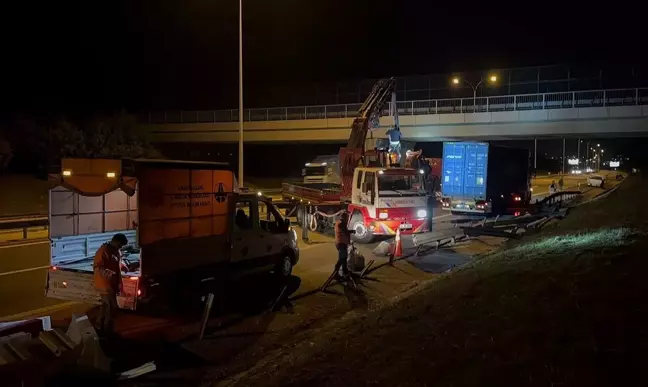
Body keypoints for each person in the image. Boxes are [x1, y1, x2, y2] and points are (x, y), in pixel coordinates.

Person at [93, 233, 128, 337]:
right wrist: (107, 273)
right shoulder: (104, 251)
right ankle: (107, 331)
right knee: (110, 306)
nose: (120, 247)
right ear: (116, 241)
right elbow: (97, 266)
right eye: (120, 245)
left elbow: (116, 265)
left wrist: (123, 267)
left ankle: (99, 327)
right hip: (104, 284)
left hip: (111, 284)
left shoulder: (116, 251)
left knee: (105, 306)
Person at [334, 212, 355, 277]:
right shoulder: (341, 223)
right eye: (347, 218)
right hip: (341, 243)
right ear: (345, 218)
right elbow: (346, 232)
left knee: (344, 258)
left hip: (341, 243)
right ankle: (335, 273)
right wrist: (352, 231)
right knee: (341, 258)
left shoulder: (339, 222)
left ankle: (345, 271)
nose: (348, 219)